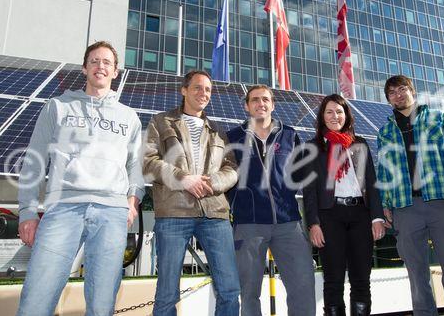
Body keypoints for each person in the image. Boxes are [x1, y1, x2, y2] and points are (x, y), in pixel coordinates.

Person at [16, 41, 145, 316]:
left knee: (101, 305)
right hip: (63, 208)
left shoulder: (129, 118)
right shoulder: (58, 107)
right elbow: (34, 159)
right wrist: (27, 211)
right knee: (37, 298)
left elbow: (136, 167)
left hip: (112, 214)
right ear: (85, 68)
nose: (101, 66)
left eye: (107, 62)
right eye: (95, 61)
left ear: (116, 72)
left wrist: (132, 203)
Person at [143, 70, 240, 316]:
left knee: (229, 289)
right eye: (197, 87)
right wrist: (183, 179)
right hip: (174, 213)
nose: (203, 93)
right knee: (167, 292)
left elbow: (231, 169)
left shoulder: (218, 131)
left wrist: (214, 181)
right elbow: (148, 163)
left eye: (207, 89)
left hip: (215, 214)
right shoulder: (161, 121)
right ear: (184, 90)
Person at [377, 75, 444, 316]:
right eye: (392, 92)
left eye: (402, 89)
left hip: (440, 203)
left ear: (412, 91)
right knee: (416, 274)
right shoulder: (385, 132)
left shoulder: (438, 119)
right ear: (388, 99)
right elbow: (384, 171)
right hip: (404, 208)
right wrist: (385, 204)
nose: (398, 95)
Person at [227, 84, 316, 316]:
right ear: (246, 106)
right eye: (255, 100)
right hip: (249, 224)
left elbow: (303, 177)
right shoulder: (232, 137)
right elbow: (225, 180)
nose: (261, 104)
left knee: (303, 285)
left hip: (288, 223)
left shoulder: (290, 134)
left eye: (265, 99)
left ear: (273, 105)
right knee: (248, 292)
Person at [303, 94, 384, 316]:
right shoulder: (312, 147)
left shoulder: (360, 144)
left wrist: (377, 217)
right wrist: (313, 224)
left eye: (339, 111)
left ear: (346, 115)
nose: (334, 116)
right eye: (329, 112)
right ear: (322, 116)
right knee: (333, 281)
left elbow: (371, 181)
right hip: (330, 217)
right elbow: (309, 191)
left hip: (361, 215)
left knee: (361, 280)